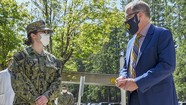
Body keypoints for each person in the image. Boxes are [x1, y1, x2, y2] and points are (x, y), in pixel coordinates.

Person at [115, 1, 178, 105]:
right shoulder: (131, 42)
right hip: (134, 98)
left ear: (139, 15)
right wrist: (123, 77)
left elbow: (167, 66)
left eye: (127, 17)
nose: (126, 21)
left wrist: (138, 83)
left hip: (158, 99)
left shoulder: (162, 34)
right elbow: (126, 67)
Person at [8, 20, 62, 105]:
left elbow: (58, 84)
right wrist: (36, 100)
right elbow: (18, 83)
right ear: (33, 35)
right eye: (44, 32)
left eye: (47, 32)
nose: (47, 34)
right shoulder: (20, 58)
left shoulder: (54, 60)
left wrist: (46, 97)